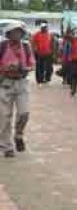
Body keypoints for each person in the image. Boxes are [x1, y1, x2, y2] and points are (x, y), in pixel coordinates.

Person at [0, 22, 34, 157]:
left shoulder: (26, 46)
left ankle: (18, 135)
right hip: (5, 83)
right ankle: (6, 146)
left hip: (21, 83)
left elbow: (32, 64)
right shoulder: (2, 47)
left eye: (19, 32)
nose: (17, 34)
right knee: (4, 116)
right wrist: (6, 68)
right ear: (9, 34)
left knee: (24, 113)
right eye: (14, 32)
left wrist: (24, 68)